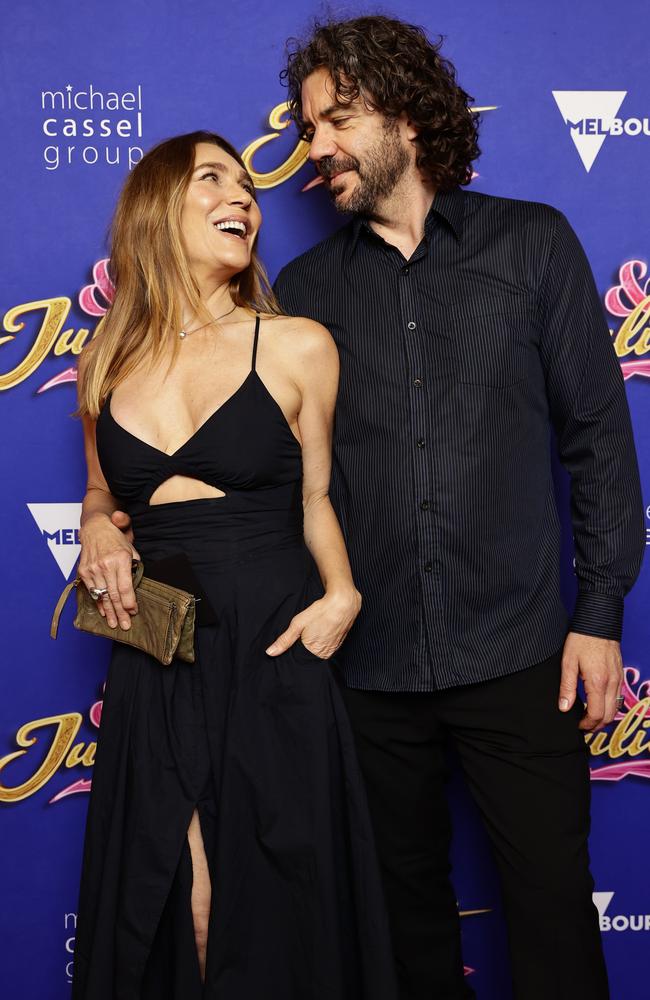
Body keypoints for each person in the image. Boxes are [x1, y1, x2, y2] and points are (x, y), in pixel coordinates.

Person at [269, 15, 645, 1000]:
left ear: (403, 113)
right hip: (371, 670)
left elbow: (597, 441)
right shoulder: (305, 292)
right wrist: (104, 501)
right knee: (401, 929)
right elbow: (266, 470)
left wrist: (597, 616)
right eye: (308, 128)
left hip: (520, 657)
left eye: (334, 120)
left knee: (553, 912)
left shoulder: (531, 245)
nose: (315, 150)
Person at [72, 130, 398, 999]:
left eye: (248, 185)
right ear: (156, 210)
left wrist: (342, 594)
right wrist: (99, 527)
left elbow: (316, 498)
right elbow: (105, 493)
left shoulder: (296, 344)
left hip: (271, 638)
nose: (242, 198)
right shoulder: (103, 361)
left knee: (277, 885)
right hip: (157, 643)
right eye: (212, 179)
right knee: (183, 897)